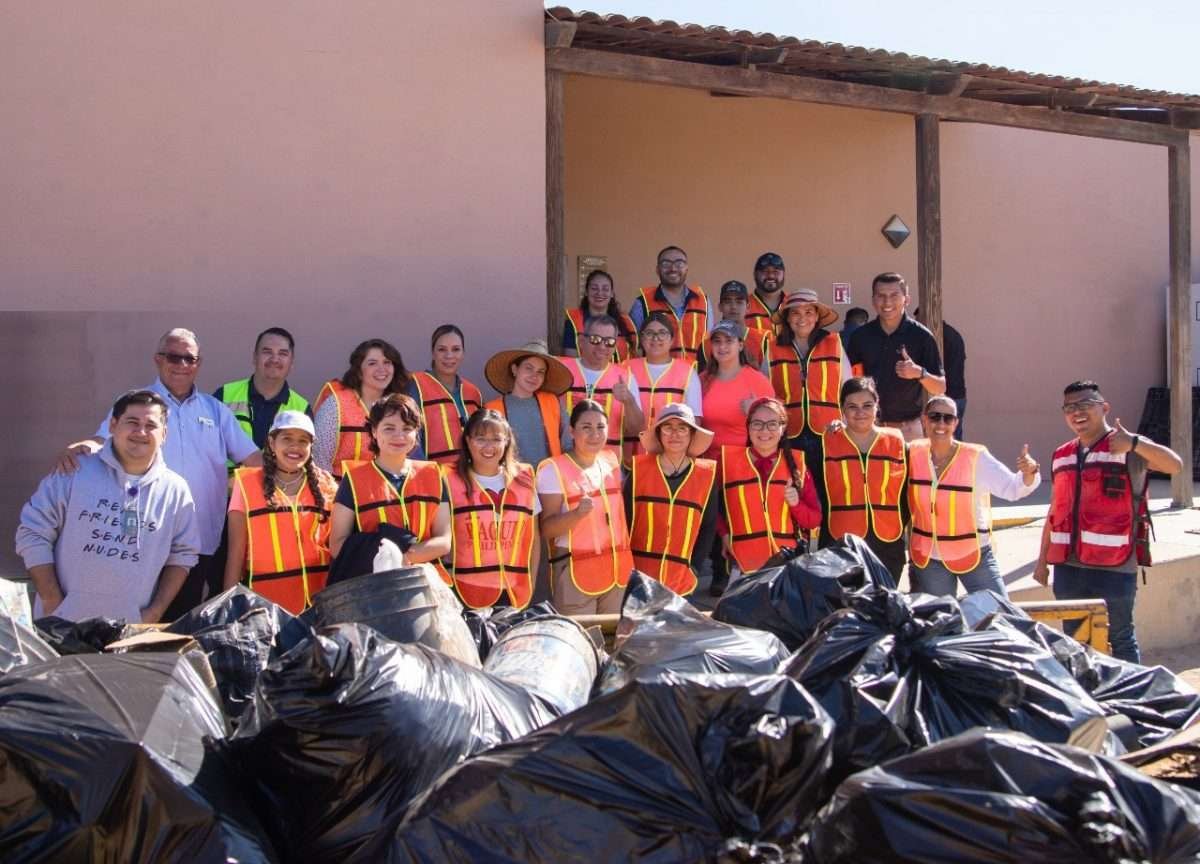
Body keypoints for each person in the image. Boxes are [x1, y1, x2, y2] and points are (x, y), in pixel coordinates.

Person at [56, 328, 259, 618]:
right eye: (173, 357)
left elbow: (253, 459)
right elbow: (103, 440)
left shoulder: (215, 410)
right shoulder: (140, 405)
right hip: (143, 539)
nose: (181, 365)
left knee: (181, 623)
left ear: (199, 364)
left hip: (198, 541)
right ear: (158, 360)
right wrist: (82, 446)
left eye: (189, 359)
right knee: (136, 620)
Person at [19, 390, 199, 623]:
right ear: (113, 425)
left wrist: (153, 613)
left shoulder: (176, 491)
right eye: (132, 422)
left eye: (151, 425)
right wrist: (52, 602)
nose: (141, 431)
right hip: (60, 627)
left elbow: (183, 554)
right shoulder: (74, 471)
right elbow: (32, 532)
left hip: (128, 635)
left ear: (164, 434)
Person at [1034, 381, 1182, 663]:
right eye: (1070, 407)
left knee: (1120, 639)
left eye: (1085, 404)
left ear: (1104, 407)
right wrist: (1042, 561)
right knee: (1075, 642)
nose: (1077, 412)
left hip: (1115, 567)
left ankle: (1130, 703)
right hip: (1068, 568)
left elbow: (1175, 465)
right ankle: (1088, 701)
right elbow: (1055, 511)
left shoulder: (1128, 446)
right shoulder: (1062, 454)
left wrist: (1136, 443)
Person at [908, 395, 1041, 597]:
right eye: (935, 417)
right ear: (924, 420)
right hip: (930, 559)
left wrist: (1029, 473)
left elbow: (1013, 488)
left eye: (948, 418)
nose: (941, 423)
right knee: (943, 623)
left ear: (956, 423)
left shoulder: (975, 457)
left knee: (999, 614)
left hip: (974, 555)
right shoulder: (913, 453)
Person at [224, 411, 338, 613]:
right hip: (263, 606)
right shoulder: (246, 484)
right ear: (271, 442)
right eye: (287, 439)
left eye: (303, 441)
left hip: (319, 603)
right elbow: (235, 553)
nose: (295, 447)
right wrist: (228, 608)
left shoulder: (327, 484)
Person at [329, 394, 452, 573]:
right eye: (389, 428)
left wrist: (401, 558)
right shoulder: (354, 479)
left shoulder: (433, 473)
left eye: (407, 428)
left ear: (416, 432)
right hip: (374, 585)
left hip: (427, 583)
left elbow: (443, 540)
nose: (399, 436)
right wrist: (382, 561)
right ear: (373, 431)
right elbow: (337, 544)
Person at [699, 320, 775, 596]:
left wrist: (752, 411)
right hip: (709, 461)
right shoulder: (703, 379)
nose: (722, 347)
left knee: (739, 516)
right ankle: (719, 571)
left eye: (728, 341)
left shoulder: (756, 380)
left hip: (745, 461)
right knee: (715, 519)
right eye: (717, 342)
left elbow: (774, 421)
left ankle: (742, 569)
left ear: (740, 345)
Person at [537, 400, 633, 615]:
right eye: (586, 427)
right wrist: (576, 514)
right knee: (581, 643)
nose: (595, 434)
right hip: (575, 573)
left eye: (600, 427)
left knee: (612, 643)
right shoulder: (553, 469)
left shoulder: (612, 461)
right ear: (572, 431)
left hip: (617, 571)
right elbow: (547, 529)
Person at [445, 409, 540, 610]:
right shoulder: (448, 479)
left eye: (496, 439)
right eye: (481, 439)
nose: (489, 447)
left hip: (513, 592)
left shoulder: (524, 479)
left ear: (506, 441)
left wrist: (529, 580)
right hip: (465, 590)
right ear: (468, 441)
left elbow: (533, 540)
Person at [718, 397, 821, 581]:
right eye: (757, 423)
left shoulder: (797, 466)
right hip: (743, 563)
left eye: (772, 424)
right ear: (748, 427)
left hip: (786, 564)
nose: (764, 430)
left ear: (783, 429)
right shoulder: (727, 462)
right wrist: (724, 534)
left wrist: (796, 504)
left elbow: (813, 520)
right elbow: (711, 509)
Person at [625, 404, 718, 596]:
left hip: (681, 579)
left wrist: (694, 568)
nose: (674, 434)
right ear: (659, 433)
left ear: (692, 434)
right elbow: (624, 520)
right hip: (638, 576)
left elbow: (708, 526)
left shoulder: (706, 475)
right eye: (668, 427)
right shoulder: (639, 470)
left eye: (682, 428)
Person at [765, 289, 852, 495]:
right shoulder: (772, 348)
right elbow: (765, 393)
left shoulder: (834, 344)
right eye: (795, 313)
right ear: (787, 318)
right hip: (788, 435)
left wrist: (847, 425)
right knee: (795, 491)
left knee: (829, 492)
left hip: (829, 433)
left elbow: (848, 388)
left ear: (817, 316)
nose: (802, 318)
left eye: (808, 312)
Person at [821, 377, 908, 581]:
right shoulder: (827, 443)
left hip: (888, 542)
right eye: (852, 406)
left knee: (886, 606)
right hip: (842, 543)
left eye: (867, 405)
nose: (860, 412)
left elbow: (907, 493)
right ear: (842, 410)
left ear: (877, 407)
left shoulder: (896, 442)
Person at [846, 273, 946, 441]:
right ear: (873, 300)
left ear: (906, 299)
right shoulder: (860, 337)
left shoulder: (922, 336)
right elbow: (849, 382)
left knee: (911, 469)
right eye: (881, 296)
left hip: (908, 431)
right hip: (868, 427)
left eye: (894, 295)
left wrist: (919, 373)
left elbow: (940, 388)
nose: (887, 302)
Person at [313, 338, 409, 479]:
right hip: (340, 495)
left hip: (385, 494)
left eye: (387, 362)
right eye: (372, 363)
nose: (381, 369)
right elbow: (319, 460)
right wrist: (331, 496)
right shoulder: (336, 405)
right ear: (358, 371)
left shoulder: (400, 406)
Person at [559, 315, 645, 457]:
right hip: (565, 464)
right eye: (595, 339)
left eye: (609, 342)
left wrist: (629, 401)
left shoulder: (626, 377)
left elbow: (636, 430)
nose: (602, 346)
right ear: (581, 341)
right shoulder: (561, 371)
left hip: (607, 469)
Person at [213, 327, 310, 451]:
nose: (274, 359)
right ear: (254, 357)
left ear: (291, 363)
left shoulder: (302, 409)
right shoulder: (223, 396)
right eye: (267, 352)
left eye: (282, 353)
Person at [624, 312, 702, 462]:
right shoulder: (626, 368)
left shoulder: (687, 372)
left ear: (672, 339)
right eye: (649, 333)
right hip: (630, 458)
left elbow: (695, 420)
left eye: (662, 333)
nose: (656, 338)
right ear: (641, 338)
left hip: (671, 459)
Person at [484, 339, 572, 467]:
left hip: (552, 479)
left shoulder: (553, 402)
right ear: (515, 369)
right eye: (528, 368)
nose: (534, 376)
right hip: (512, 481)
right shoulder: (493, 409)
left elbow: (568, 443)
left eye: (540, 372)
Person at [407, 325, 483, 465]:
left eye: (456, 349)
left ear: (463, 353)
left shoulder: (473, 393)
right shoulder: (415, 384)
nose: (449, 356)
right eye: (442, 349)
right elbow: (408, 433)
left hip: (470, 476)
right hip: (432, 475)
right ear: (433, 353)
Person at [629, 245, 712, 364]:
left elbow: (708, 343)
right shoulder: (642, 303)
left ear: (687, 268)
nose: (673, 268)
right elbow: (635, 347)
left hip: (696, 378)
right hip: (658, 378)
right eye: (666, 264)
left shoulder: (704, 302)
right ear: (657, 269)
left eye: (679, 263)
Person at [563, 270, 639, 362]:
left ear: (611, 294)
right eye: (594, 288)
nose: (599, 293)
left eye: (605, 289)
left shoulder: (626, 322)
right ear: (586, 292)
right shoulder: (574, 322)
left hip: (621, 375)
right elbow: (571, 360)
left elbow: (635, 356)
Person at [914, 308, 967, 439]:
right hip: (957, 393)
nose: (917, 324)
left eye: (918, 320)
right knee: (954, 438)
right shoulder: (953, 334)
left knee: (944, 440)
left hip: (946, 395)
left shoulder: (936, 336)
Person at [700, 280, 771, 370]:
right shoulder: (706, 344)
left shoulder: (763, 341)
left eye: (739, 302)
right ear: (720, 307)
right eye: (728, 302)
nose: (733, 306)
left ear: (748, 307)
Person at [743, 251, 787, 332]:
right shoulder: (743, 306)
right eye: (764, 272)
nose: (770, 275)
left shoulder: (793, 304)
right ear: (755, 274)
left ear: (784, 274)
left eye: (776, 272)